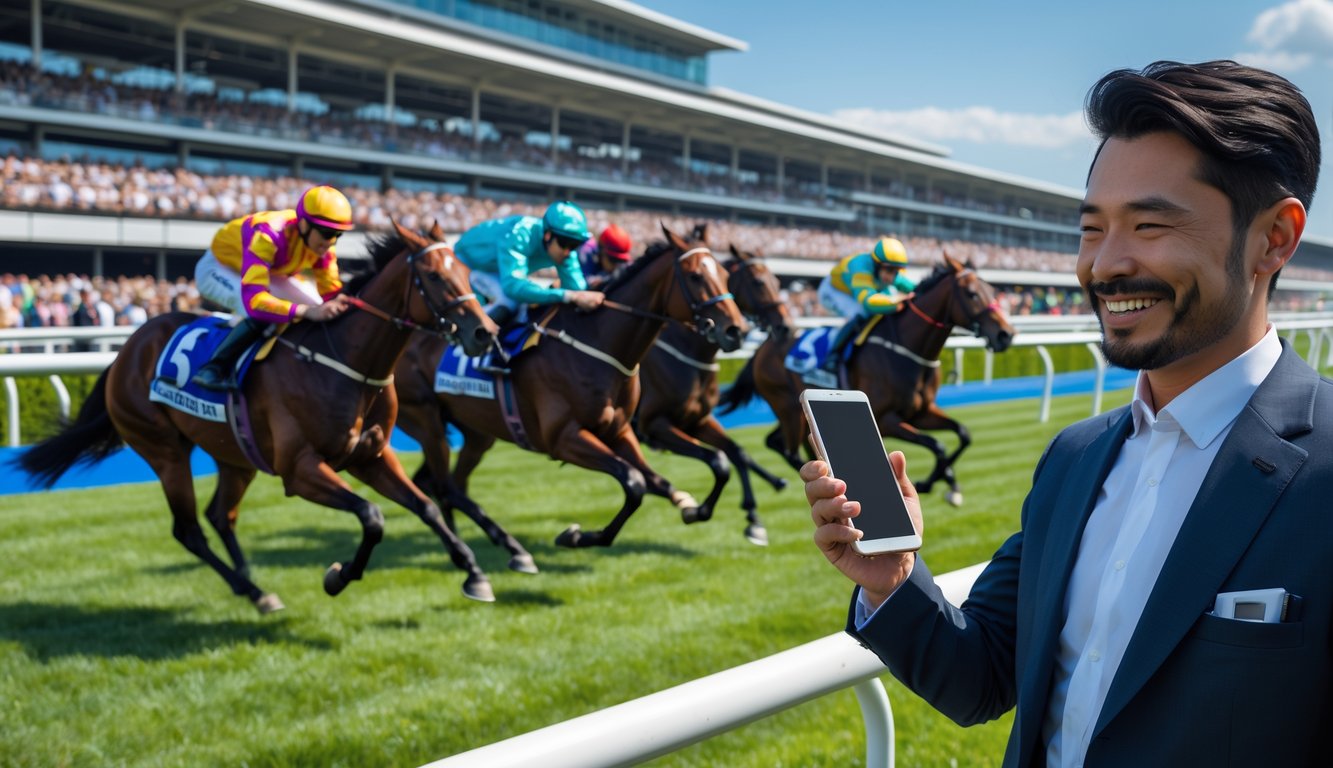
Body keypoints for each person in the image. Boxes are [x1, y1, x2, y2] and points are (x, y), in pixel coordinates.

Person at [803, 60, 1332, 766]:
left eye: (1147, 225)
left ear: (1274, 237)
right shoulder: (1073, 457)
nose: (1104, 265)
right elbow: (982, 679)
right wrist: (893, 582)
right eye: (1091, 229)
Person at [190, 184, 355, 390]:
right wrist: (304, 311)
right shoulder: (268, 233)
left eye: (338, 235)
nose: (331, 241)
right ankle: (213, 368)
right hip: (218, 269)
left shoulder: (322, 247)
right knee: (265, 313)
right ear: (304, 225)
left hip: (268, 273)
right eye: (326, 232)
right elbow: (255, 302)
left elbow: (331, 294)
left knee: (319, 308)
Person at [452, 200, 604, 326]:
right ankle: (471, 344)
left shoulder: (564, 251)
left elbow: (578, 291)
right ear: (548, 235)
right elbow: (513, 287)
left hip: (498, 271)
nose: (568, 252)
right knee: (511, 301)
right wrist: (567, 296)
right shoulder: (519, 233)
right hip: (466, 264)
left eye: (575, 245)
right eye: (565, 243)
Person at [816, 236, 916, 374]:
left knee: (887, 300)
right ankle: (833, 356)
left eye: (896, 271)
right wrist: (898, 301)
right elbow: (868, 303)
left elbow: (914, 288)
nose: (892, 277)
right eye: (888, 270)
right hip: (834, 291)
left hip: (857, 290)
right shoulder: (861, 267)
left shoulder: (887, 269)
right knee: (861, 312)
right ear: (877, 265)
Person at [576, 223, 634, 288]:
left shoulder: (621, 264)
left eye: (621, 261)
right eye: (614, 260)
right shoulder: (585, 253)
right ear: (601, 252)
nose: (617, 265)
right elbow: (582, 284)